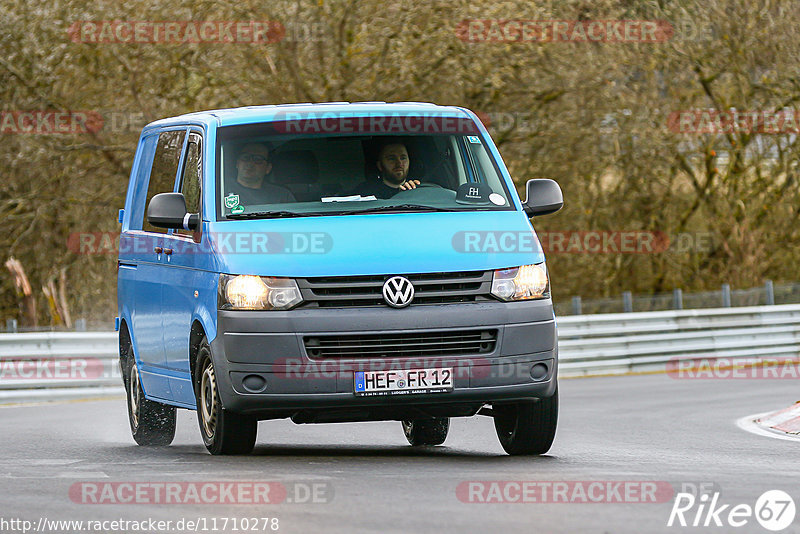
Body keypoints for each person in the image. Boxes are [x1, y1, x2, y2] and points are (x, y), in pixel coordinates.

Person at [225, 143, 295, 207]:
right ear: (237, 163)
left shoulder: (282, 195)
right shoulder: (220, 189)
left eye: (257, 159)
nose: (250, 163)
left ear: (268, 168)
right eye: (245, 157)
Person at [352, 140, 421, 199]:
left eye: (403, 158)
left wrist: (413, 192)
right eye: (392, 159)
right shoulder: (365, 192)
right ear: (380, 165)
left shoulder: (419, 189)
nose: (399, 163)